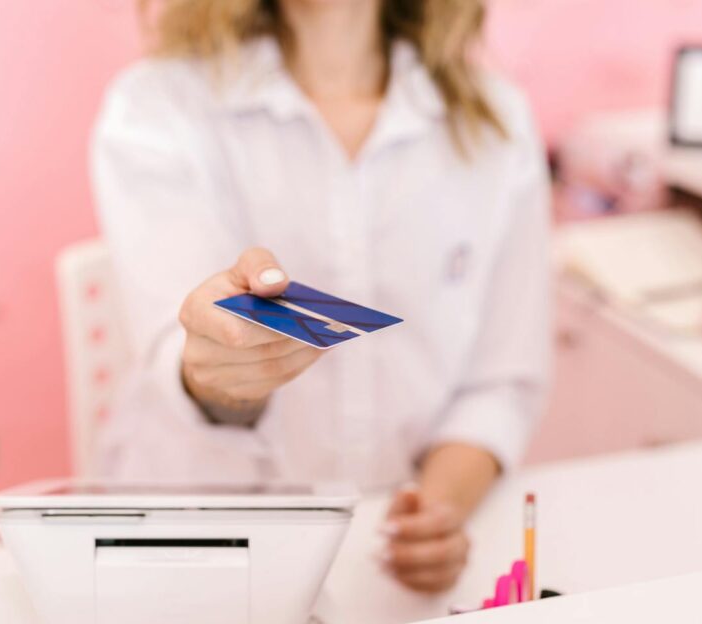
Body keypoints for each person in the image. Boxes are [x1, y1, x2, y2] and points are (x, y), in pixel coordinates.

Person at [91, 0, 550, 594]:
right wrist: (218, 372)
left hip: (388, 560)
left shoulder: (497, 122)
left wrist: (436, 513)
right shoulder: (155, 108)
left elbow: (501, 381)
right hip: (197, 544)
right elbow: (176, 354)